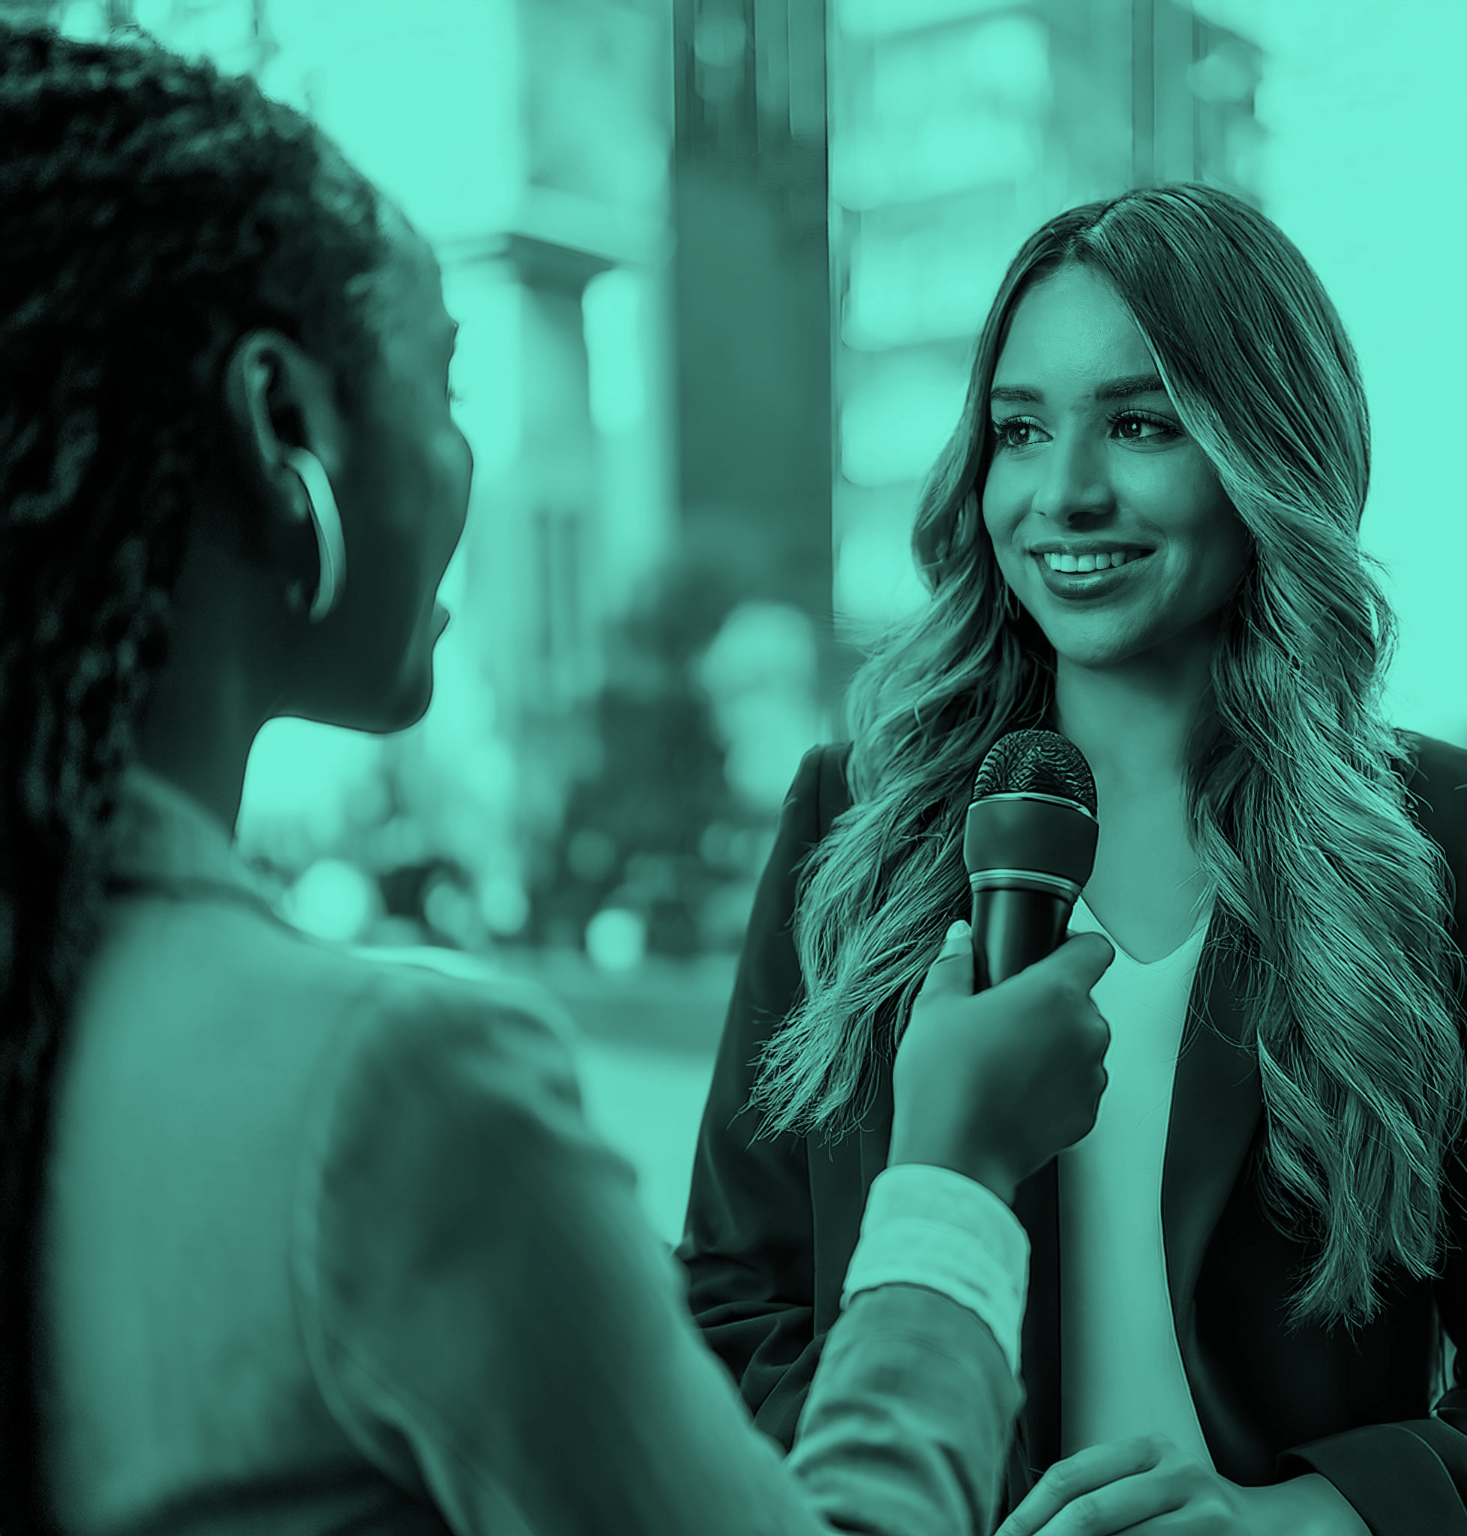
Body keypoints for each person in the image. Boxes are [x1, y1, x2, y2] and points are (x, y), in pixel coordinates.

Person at [0, 21, 1120, 1536]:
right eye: (444, 379)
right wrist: (956, 1172)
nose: (472, 461)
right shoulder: (391, 1090)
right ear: (284, 430)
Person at [678, 180, 1467, 1536]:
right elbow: (732, 1306)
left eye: (1138, 425)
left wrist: (1307, 1520)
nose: (1065, 494)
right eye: (1020, 432)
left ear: (1267, 447)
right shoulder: (852, 821)